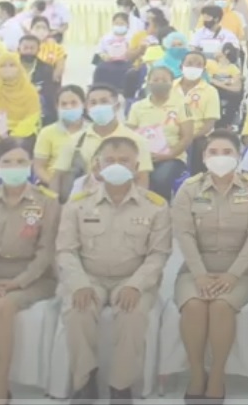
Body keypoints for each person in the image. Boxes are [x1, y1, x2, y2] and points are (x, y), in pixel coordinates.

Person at [57, 135, 173, 403]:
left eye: (124, 160)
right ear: (97, 166)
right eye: (110, 160)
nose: (117, 165)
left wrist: (135, 285)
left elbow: (158, 254)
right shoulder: (78, 204)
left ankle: (120, 387)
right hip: (90, 277)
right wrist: (79, 283)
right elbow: (65, 250)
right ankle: (85, 381)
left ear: (136, 167)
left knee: (132, 316)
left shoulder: (155, 206)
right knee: (77, 312)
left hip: (132, 278)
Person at [171, 130, 248, 402]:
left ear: (238, 156)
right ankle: (196, 374)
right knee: (193, 305)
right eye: (213, 152)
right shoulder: (189, 188)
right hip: (195, 270)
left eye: (227, 152)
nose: (220, 157)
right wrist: (200, 275)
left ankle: (216, 376)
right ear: (203, 157)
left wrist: (232, 275)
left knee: (221, 306)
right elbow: (184, 234)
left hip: (242, 273)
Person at [0, 139, 60, 405]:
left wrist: (18, 283)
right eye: (7, 162)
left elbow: (47, 251)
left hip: (36, 277)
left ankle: (1, 388)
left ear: (30, 165)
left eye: (20, 161)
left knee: (2, 308)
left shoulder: (46, 201)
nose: (14, 167)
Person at [53, 85, 152, 196]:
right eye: (93, 103)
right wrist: (54, 203)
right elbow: (57, 176)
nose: (98, 106)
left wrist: (137, 203)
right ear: (86, 107)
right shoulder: (75, 140)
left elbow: (142, 179)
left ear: (117, 106)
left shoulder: (137, 140)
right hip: (83, 201)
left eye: (104, 102)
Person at [125, 65, 185, 196]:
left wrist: (169, 154)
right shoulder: (137, 107)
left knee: (160, 179)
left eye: (164, 80)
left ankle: (161, 206)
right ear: (148, 82)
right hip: (141, 157)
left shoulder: (182, 105)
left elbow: (187, 137)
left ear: (172, 83)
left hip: (172, 157)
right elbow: (130, 134)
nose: (160, 83)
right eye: (156, 80)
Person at [0, 52, 42, 152]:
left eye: (12, 65)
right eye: (2, 66)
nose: (7, 69)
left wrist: (14, 136)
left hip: (23, 135)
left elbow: (32, 116)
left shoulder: (29, 90)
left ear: (19, 68)